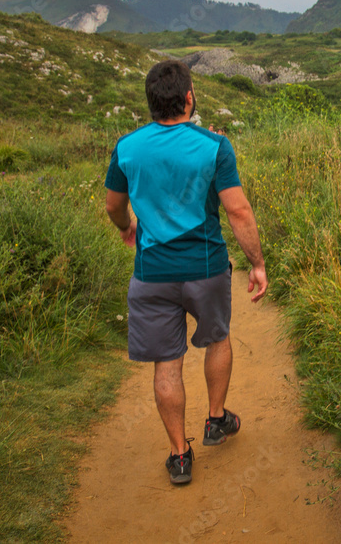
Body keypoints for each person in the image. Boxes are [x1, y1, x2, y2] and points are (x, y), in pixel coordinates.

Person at [104, 59, 268, 485]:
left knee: (166, 363)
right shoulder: (214, 147)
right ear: (189, 98)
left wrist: (128, 228)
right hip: (206, 267)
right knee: (217, 339)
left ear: (150, 103)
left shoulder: (127, 148)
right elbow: (237, 210)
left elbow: (113, 205)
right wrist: (257, 262)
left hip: (152, 273)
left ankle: (179, 456)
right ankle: (216, 419)